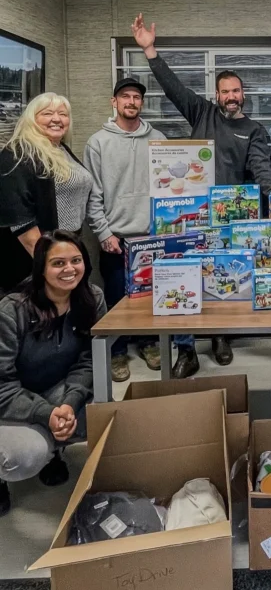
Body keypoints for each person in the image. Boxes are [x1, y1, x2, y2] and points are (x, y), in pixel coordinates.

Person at [131, 13, 271, 371]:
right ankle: (186, 349)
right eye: (225, 91)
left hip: (234, 220)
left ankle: (221, 335)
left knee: (222, 278)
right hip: (193, 216)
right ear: (217, 95)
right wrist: (150, 51)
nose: (231, 97)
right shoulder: (201, 112)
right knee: (185, 275)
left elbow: (260, 168)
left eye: (236, 91)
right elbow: (173, 87)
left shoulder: (255, 130)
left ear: (244, 94)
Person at [0, 230, 106, 517]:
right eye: (58, 263)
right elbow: (2, 386)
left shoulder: (91, 298)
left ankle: (54, 449)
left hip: (55, 391)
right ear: (41, 269)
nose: (69, 269)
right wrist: (46, 413)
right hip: (10, 401)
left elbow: (89, 362)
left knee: (104, 417)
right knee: (22, 458)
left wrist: (69, 404)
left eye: (76, 260)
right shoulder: (12, 310)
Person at [84, 79, 172, 381]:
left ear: (141, 104)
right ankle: (117, 351)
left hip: (152, 235)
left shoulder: (157, 138)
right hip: (117, 238)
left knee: (151, 296)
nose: (131, 102)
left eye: (136, 97)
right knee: (116, 298)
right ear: (114, 102)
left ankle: (149, 344)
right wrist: (103, 233)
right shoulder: (98, 142)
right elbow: (92, 193)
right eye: (125, 97)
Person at [0, 93, 92, 297]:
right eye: (47, 113)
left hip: (67, 251)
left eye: (63, 114)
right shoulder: (17, 154)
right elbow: (20, 221)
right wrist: (49, 266)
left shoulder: (59, 149)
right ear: (32, 118)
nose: (57, 119)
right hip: (35, 262)